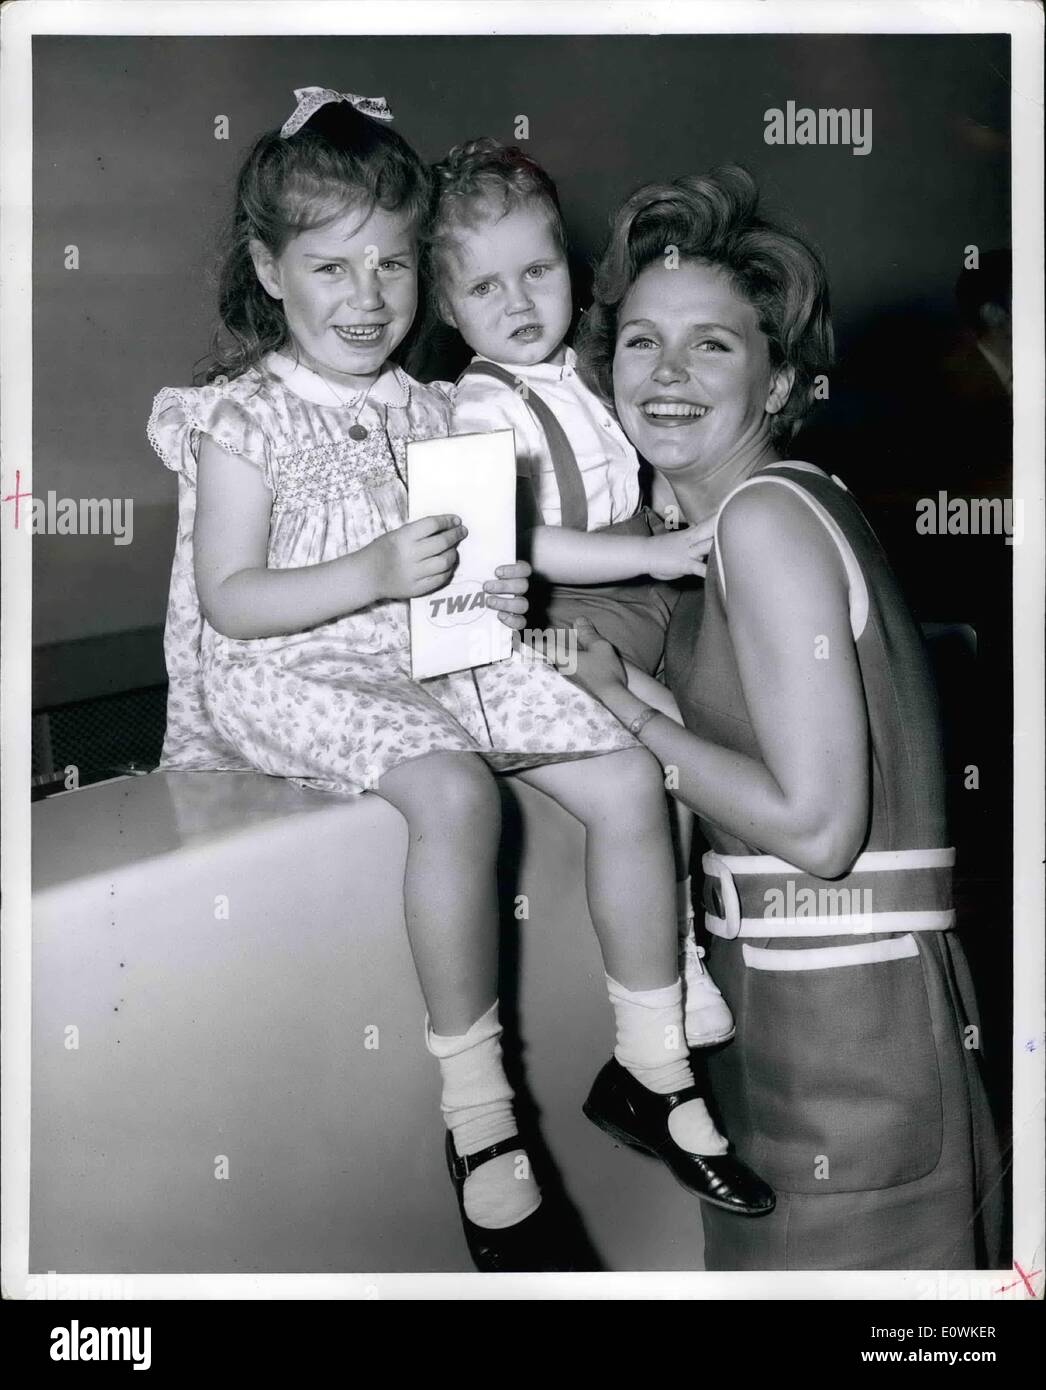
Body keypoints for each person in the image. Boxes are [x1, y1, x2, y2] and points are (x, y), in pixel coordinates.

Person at [146, 92, 773, 1273]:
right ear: (267, 272)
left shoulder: (434, 407)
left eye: (390, 264)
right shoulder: (242, 415)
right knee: (452, 793)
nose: (367, 297)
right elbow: (232, 595)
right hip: (287, 663)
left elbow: (492, 557)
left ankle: (650, 1064)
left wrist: (486, 594)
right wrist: (369, 568)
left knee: (629, 764)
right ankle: (480, 1121)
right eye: (330, 266)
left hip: (423, 655)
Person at [567, 165, 1004, 1270]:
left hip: (844, 1035)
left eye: (710, 344)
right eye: (638, 341)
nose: (664, 374)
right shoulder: (759, 516)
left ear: (773, 382)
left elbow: (816, 830)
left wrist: (637, 721)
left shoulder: (763, 520)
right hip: (808, 1016)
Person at [427, 136, 733, 1048]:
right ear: (447, 306)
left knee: (706, 733)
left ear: (572, 267)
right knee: (663, 747)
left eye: (537, 271)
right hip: (566, 617)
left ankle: (688, 943)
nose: (518, 303)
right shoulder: (478, 408)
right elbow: (525, 544)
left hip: (642, 588)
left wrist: (674, 514)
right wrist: (664, 554)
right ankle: (670, 967)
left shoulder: (585, 372)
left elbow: (638, 471)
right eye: (485, 288)